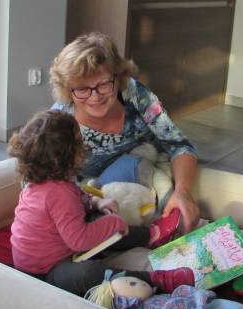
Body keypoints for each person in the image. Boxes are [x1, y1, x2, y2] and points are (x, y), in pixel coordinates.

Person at [9, 110, 193, 297]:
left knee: (100, 219)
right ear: (66, 155)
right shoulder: (58, 193)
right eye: (79, 142)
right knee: (89, 272)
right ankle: (155, 279)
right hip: (44, 272)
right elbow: (79, 240)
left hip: (59, 245)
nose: (84, 146)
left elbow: (77, 199)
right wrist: (114, 223)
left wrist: (96, 202)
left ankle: (151, 235)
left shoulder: (47, 179)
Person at [49, 32, 201, 233]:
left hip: (145, 178)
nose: (95, 97)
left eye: (104, 84)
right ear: (68, 90)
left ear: (118, 77)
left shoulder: (134, 93)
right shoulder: (59, 121)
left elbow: (178, 145)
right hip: (92, 198)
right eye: (82, 89)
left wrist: (183, 192)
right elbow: (42, 185)